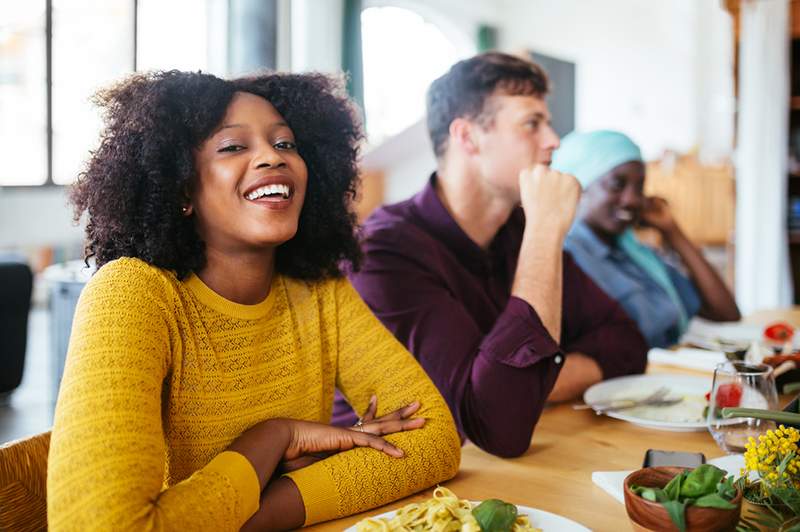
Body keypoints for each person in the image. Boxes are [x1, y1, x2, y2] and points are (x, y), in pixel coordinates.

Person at [47, 70, 460, 531]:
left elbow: (434, 441)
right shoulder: (132, 293)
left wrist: (252, 513)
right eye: (233, 146)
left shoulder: (318, 290)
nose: (272, 157)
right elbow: (104, 526)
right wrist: (272, 438)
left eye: (286, 144)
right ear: (182, 188)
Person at [334, 52, 648, 458]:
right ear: (468, 137)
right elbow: (499, 425)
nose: (554, 141)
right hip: (381, 493)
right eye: (532, 123)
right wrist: (545, 231)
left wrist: (531, 384)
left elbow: (626, 341)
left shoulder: (516, 232)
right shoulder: (384, 255)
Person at [552, 130, 741, 348]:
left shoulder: (637, 255)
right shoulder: (565, 257)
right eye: (617, 185)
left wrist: (673, 232)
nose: (633, 200)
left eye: (639, 187)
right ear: (579, 188)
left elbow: (725, 312)